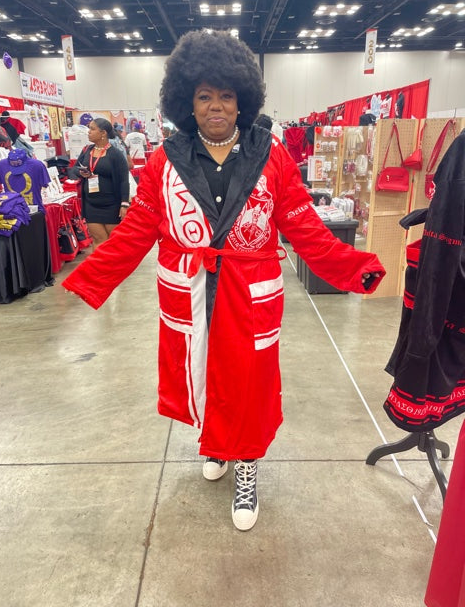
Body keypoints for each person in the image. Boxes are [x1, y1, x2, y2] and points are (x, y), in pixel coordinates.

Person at [62, 30, 385, 531]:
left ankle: (247, 464)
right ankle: (216, 444)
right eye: (204, 96)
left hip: (250, 291)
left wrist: (353, 266)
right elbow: (137, 230)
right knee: (202, 373)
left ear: (243, 100)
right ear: (186, 103)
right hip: (189, 289)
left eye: (227, 96)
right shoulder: (164, 160)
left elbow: (303, 225)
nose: (216, 106)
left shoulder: (271, 155)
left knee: (250, 383)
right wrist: (88, 279)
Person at [70, 118, 129, 249]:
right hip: (91, 205)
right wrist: (81, 173)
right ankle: (100, 263)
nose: (88, 132)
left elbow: (124, 180)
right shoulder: (87, 150)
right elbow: (73, 170)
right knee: (98, 240)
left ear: (103, 133)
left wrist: (124, 204)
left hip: (112, 205)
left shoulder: (115, 154)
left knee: (113, 243)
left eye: (92, 129)